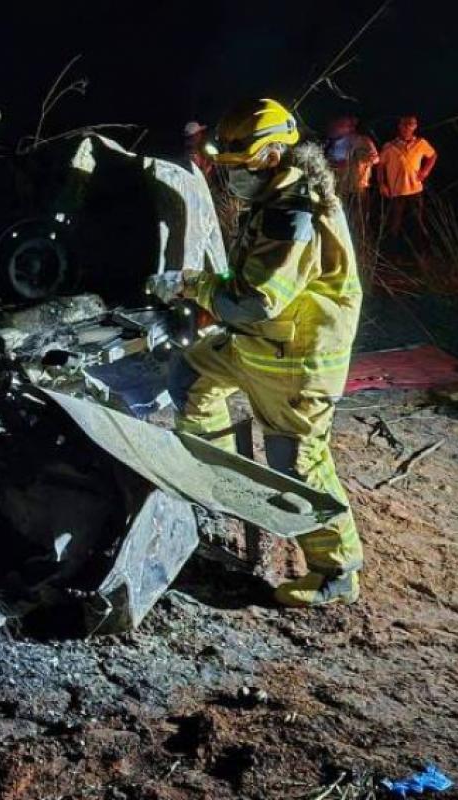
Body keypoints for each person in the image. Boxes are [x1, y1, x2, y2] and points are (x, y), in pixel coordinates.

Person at [147, 98, 364, 607]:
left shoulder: (294, 214)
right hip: (262, 344)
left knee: (297, 464)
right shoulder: (278, 197)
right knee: (190, 375)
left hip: (298, 363)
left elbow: (255, 300)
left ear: (271, 157)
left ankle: (336, 572)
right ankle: (220, 485)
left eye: (239, 167)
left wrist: (192, 285)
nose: (233, 178)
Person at [377, 115, 437, 253]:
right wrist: (382, 184)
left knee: (417, 221)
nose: (407, 127)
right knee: (395, 223)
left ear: (415, 126)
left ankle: (420, 253)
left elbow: (433, 155)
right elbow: (380, 166)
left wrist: (425, 171)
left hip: (415, 189)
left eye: (411, 124)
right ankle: (392, 253)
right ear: (400, 126)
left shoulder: (420, 143)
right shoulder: (390, 146)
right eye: (404, 124)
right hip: (396, 191)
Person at [325, 114, 378, 199]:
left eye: (341, 124)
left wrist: (352, 162)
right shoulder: (330, 143)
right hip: (336, 187)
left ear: (350, 127)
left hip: (356, 188)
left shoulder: (361, 140)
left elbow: (375, 159)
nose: (334, 127)